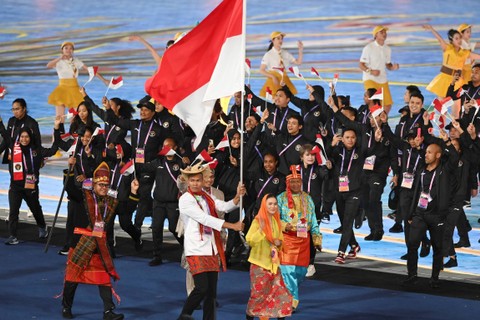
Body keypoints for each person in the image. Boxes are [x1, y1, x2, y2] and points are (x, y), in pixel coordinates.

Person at [61, 162, 134, 320]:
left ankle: (108, 311)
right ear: (93, 184)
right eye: (100, 184)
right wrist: (71, 169)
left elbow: (126, 210)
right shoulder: (82, 197)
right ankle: (66, 307)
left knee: (104, 280)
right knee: (72, 279)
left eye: (106, 185)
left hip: (98, 247)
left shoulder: (111, 202)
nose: (103, 187)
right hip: (80, 244)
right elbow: (70, 189)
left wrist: (134, 193)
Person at [177, 163, 245, 320]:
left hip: (211, 248)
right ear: (187, 182)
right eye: (192, 180)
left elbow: (223, 207)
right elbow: (205, 219)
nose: (195, 183)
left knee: (211, 293)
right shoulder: (186, 199)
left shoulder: (207, 196)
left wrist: (236, 197)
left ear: (203, 181)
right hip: (195, 249)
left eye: (198, 180)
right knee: (201, 287)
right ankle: (184, 315)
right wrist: (232, 226)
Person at [403, 143, 454, 289]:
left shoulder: (444, 170)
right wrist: (411, 213)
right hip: (420, 213)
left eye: (429, 152)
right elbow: (416, 193)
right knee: (412, 244)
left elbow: (454, 158)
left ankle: (434, 278)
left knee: (437, 248)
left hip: (437, 216)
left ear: (438, 155)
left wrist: (446, 141)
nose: (426, 155)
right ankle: (412, 275)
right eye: (426, 152)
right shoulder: (421, 171)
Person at [0, 120, 60, 245]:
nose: (24, 139)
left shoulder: (37, 150)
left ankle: (42, 227)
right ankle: (13, 236)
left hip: (30, 186)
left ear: (30, 137)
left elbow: (53, 150)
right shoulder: (13, 146)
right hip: (15, 186)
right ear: (19, 137)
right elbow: (4, 133)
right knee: (13, 211)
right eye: (22, 136)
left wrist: (56, 129)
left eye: (26, 136)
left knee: (36, 210)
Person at [277, 166, 322, 311]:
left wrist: (316, 239)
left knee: (300, 273)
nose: (296, 184)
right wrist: (285, 226)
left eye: (298, 182)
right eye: (293, 182)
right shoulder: (280, 199)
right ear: (288, 183)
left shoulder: (308, 199)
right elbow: (275, 220)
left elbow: (313, 220)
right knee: (288, 272)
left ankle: (286, 293)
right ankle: (292, 301)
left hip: (304, 241)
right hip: (288, 240)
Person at [245, 194, 293, 320]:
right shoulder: (258, 220)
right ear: (264, 206)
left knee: (281, 294)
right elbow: (249, 240)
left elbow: (281, 241)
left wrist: (279, 243)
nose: (273, 206)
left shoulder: (276, 221)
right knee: (258, 296)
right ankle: (249, 316)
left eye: (275, 204)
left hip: (273, 265)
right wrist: (261, 230)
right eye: (270, 204)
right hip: (259, 265)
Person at [423, 25, 480, 117]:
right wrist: (432, 29)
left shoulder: (464, 52)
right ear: (451, 40)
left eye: (460, 38)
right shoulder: (447, 48)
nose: (459, 40)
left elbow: (477, 56)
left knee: (456, 111)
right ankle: (441, 130)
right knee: (442, 110)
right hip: (444, 80)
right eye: (456, 38)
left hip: (457, 82)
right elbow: (440, 39)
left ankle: (456, 130)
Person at [47, 41, 108, 118]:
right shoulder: (59, 61)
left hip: (75, 89)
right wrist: (60, 58)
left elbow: (90, 70)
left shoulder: (76, 61)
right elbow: (49, 65)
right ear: (62, 50)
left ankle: (74, 130)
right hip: (62, 89)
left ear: (73, 50)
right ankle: (59, 130)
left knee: (75, 117)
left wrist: (104, 80)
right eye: (66, 48)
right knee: (60, 117)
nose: (68, 50)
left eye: (71, 48)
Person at [359, 25, 400, 114]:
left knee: (387, 104)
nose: (384, 34)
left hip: (382, 79)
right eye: (381, 32)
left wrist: (392, 67)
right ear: (375, 35)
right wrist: (370, 71)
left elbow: (388, 64)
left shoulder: (387, 49)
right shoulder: (369, 48)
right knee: (373, 102)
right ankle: (371, 120)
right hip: (370, 78)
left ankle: (381, 121)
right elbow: (361, 65)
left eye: (385, 32)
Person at [259, 31, 303, 98]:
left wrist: (300, 49)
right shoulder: (268, 54)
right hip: (274, 81)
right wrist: (273, 77)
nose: (280, 40)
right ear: (273, 40)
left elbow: (298, 62)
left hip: (284, 80)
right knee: (276, 100)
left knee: (285, 100)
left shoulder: (285, 53)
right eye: (278, 38)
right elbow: (262, 70)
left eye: (281, 38)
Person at [0, 98, 42, 165]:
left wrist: (39, 158)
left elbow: (37, 142)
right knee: (13, 175)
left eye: (17, 109)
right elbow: (6, 139)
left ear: (24, 109)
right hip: (12, 156)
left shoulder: (32, 123)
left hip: (26, 157)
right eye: (13, 109)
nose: (15, 112)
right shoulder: (11, 121)